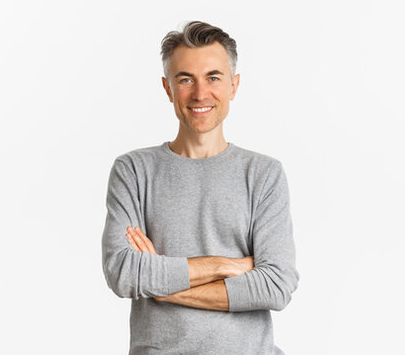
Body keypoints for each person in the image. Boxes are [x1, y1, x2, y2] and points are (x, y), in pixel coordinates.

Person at [100, 20, 299, 354]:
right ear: (168, 88)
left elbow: (275, 285)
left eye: (213, 78)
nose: (200, 93)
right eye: (186, 79)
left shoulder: (264, 174)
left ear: (233, 86)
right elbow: (123, 272)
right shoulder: (133, 171)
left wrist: (161, 285)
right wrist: (227, 265)